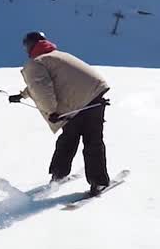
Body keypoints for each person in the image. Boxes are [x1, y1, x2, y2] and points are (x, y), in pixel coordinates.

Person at [9, 31, 113, 195]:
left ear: (31, 45)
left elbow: (42, 88)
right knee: (93, 141)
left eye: (26, 45)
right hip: (96, 96)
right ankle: (98, 182)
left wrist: (51, 111)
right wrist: (22, 95)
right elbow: (48, 82)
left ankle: (58, 174)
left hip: (78, 104)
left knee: (68, 139)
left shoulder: (36, 63)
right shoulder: (56, 56)